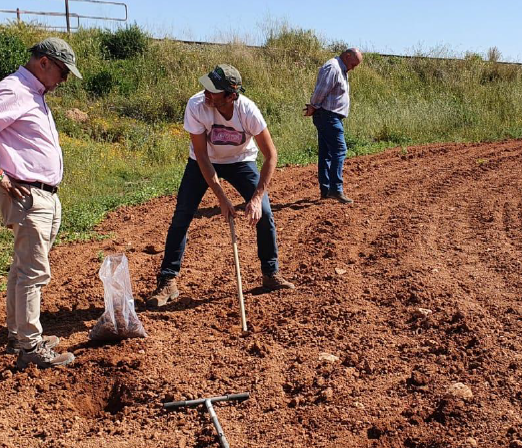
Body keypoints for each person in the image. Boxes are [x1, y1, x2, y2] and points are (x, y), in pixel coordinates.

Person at [0, 38, 82, 369]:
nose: (64, 80)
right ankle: (30, 348)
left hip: (40, 193)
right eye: (62, 71)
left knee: (23, 268)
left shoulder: (33, 93)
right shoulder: (15, 90)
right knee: (32, 271)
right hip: (28, 194)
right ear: (44, 62)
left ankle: (20, 335)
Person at [148, 64, 295, 307]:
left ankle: (270, 273)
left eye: (213, 90)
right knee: (182, 215)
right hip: (202, 162)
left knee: (265, 213)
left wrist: (256, 199)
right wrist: (221, 198)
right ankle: (168, 280)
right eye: (206, 87)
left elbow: (271, 155)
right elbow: (202, 157)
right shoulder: (196, 105)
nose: (206, 93)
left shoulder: (248, 111)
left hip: (241, 161)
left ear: (231, 95)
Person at [304, 48, 363, 203]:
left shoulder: (340, 68)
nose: (354, 67)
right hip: (328, 116)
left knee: (326, 154)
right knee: (339, 150)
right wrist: (313, 106)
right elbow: (320, 91)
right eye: (353, 63)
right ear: (347, 55)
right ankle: (336, 189)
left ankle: (326, 190)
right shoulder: (333, 67)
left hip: (329, 115)